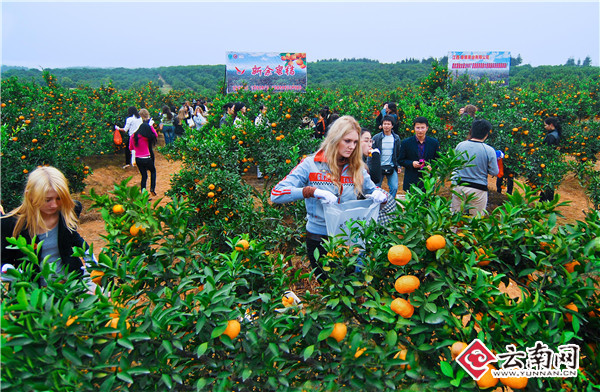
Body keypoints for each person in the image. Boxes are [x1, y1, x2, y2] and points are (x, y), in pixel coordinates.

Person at [271, 116, 387, 280]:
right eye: (347, 141)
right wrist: (311, 191)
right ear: (335, 138)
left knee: (350, 286)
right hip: (320, 237)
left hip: (350, 238)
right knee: (328, 287)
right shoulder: (311, 164)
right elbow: (276, 193)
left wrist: (378, 195)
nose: (351, 147)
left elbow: (373, 189)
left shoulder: (357, 168)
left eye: (355, 142)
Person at [1, 166, 95, 286]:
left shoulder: (67, 211)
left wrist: (88, 254)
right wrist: (8, 270)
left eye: (58, 198)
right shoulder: (11, 223)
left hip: (70, 284)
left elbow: (72, 236)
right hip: (34, 293)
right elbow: (4, 259)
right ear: (30, 196)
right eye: (47, 200)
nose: (54, 205)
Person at [451, 119, 500, 216]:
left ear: (472, 131)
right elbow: (495, 172)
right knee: (475, 221)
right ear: (486, 134)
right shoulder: (489, 150)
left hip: (459, 186)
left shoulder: (460, 145)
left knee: (454, 218)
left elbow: (454, 163)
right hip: (478, 189)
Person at [361, 128, 396, 225]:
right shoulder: (355, 163)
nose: (370, 144)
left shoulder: (363, 159)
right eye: (366, 140)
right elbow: (375, 178)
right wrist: (375, 157)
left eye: (370, 141)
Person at [398, 116, 440, 192]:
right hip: (411, 179)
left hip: (427, 180)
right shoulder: (406, 143)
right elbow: (401, 160)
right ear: (414, 128)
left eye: (422, 128)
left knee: (426, 202)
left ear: (427, 128)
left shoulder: (434, 143)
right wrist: (411, 163)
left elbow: (438, 159)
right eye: (418, 128)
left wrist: (432, 167)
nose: (420, 130)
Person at [371, 115, 402, 198]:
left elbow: (398, 153)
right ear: (382, 125)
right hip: (378, 167)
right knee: (376, 187)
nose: (386, 126)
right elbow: (371, 152)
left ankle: (390, 203)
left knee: (394, 187)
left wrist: (398, 165)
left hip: (391, 166)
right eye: (384, 124)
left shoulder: (396, 138)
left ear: (392, 126)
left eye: (388, 124)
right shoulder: (376, 138)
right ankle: (377, 204)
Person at [130, 109, 158, 197]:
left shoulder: (133, 136)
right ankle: (152, 188)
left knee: (144, 176)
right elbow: (155, 135)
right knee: (153, 171)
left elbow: (131, 148)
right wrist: (151, 126)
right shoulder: (145, 137)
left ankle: (143, 194)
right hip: (147, 158)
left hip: (138, 159)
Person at [539, 117, 562, 202]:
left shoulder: (551, 136)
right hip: (552, 162)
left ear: (551, 125)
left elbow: (547, 151)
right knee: (549, 183)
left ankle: (544, 201)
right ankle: (548, 201)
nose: (545, 127)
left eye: (545, 125)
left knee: (546, 183)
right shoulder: (556, 134)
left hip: (547, 162)